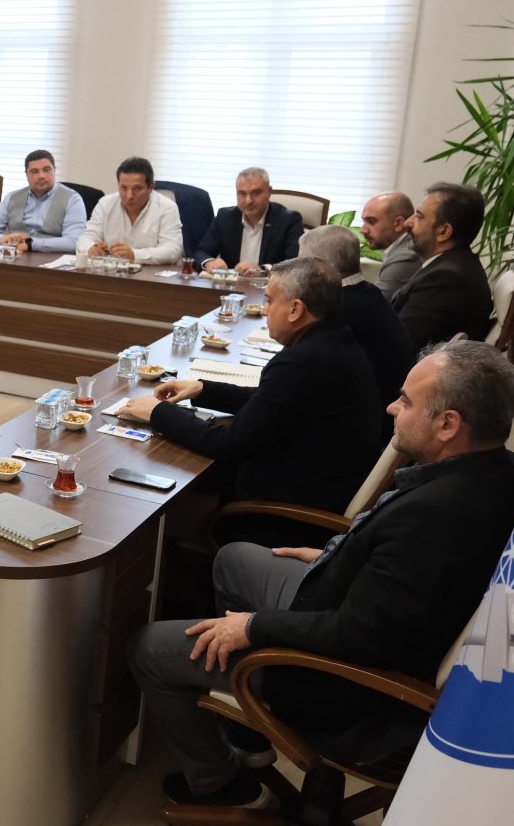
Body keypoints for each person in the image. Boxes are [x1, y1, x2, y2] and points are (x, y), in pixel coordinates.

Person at [127, 341, 514, 808]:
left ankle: (218, 785)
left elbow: (360, 637)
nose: (391, 407)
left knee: (148, 647)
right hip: (355, 605)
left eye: (406, 401)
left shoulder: (435, 518)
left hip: (346, 685)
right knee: (234, 559)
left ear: (448, 424)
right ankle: (247, 734)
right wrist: (339, 554)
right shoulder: (507, 471)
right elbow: (406, 584)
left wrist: (253, 627)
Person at [120, 258, 384, 545]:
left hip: (283, 519)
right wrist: (203, 389)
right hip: (317, 489)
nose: (264, 309)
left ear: (295, 309)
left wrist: (159, 413)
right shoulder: (336, 342)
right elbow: (270, 402)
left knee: (157, 487)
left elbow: (228, 444)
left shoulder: (302, 362)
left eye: (269, 301)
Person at [298, 225, 413, 403]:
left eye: (300, 263)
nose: (297, 271)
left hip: (370, 410)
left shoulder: (336, 307)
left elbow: (301, 365)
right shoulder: (367, 292)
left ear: (320, 269)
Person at [391, 182, 495, 349]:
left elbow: (398, 347)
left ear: (444, 232)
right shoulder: (454, 265)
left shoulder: (446, 280)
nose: (408, 223)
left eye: (419, 216)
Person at [195, 168, 304, 274]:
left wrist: (261, 270)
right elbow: (201, 252)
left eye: (256, 193)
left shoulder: (289, 220)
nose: (248, 201)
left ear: (269, 192)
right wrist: (209, 262)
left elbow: (295, 263)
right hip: (231, 284)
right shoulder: (225, 217)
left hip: (269, 285)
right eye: (242, 194)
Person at [76, 157, 183, 265]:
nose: (129, 196)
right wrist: (91, 248)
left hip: (151, 273)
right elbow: (85, 238)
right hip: (112, 271)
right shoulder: (105, 204)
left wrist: (134, 255)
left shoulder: (167, 208)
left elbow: (173, 251)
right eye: (124, 188)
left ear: (151, 187)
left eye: (137, 188)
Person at [0, 149, 87, 253]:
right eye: (34, 171)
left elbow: (74, 242)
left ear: (54, 170)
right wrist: (2, 240)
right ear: (26, 175)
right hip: (14, 259)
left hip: (51, 261)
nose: (41, 176)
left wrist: (30, 244)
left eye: (47, 170)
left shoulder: (72, 199)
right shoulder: (12, 197)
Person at [360, 191, 420, 299]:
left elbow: (375, 303)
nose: (363, 230)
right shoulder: (403, 247)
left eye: (371, 221)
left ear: (398, 224)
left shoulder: (405, 256)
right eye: (364, 221)